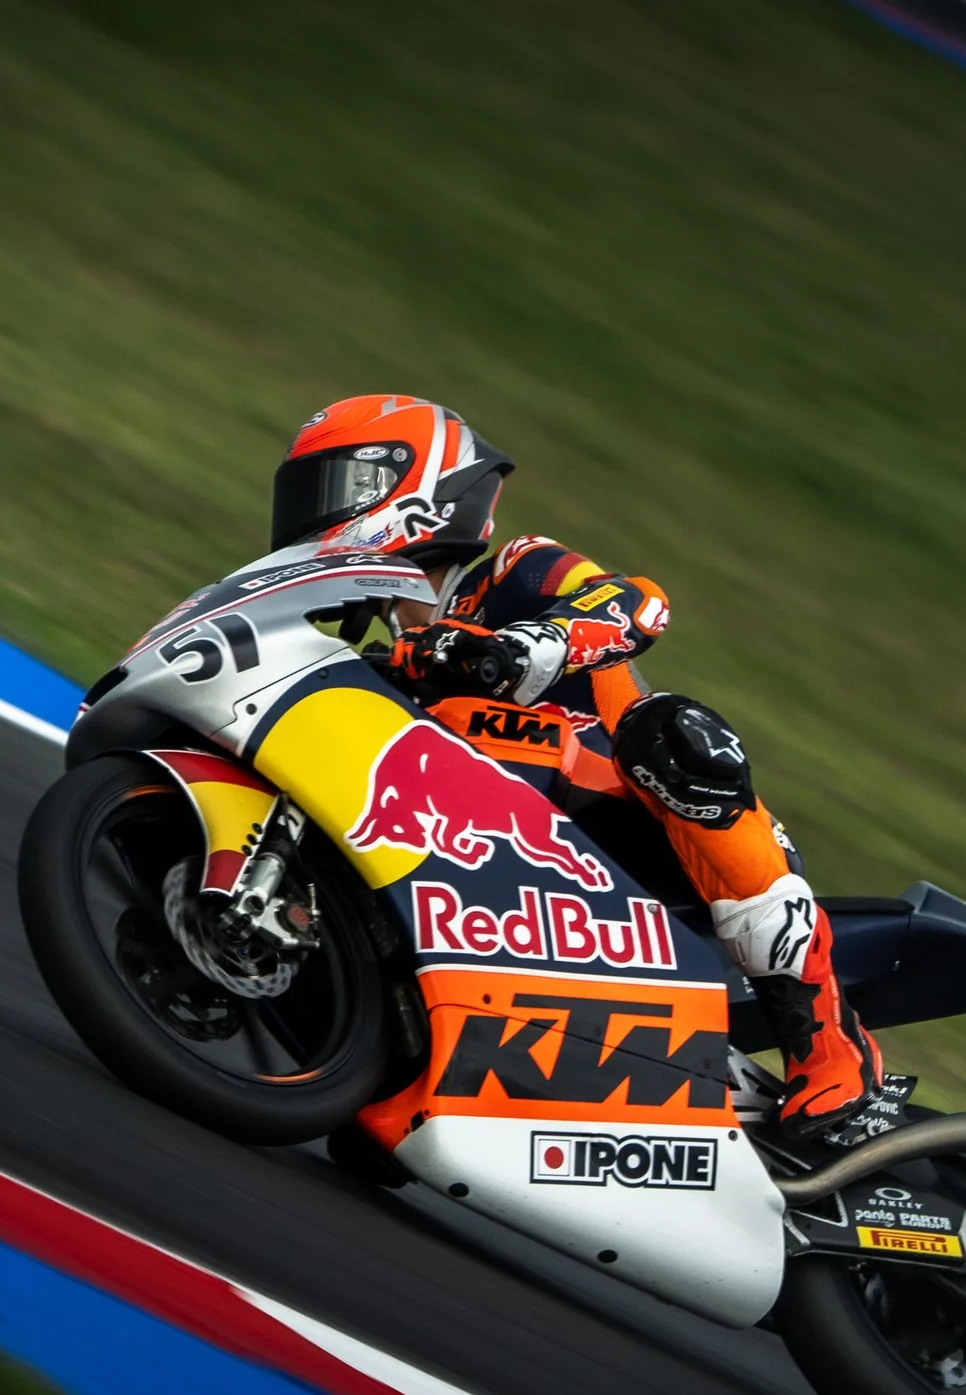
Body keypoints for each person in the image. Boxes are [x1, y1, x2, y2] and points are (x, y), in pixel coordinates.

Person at [268, 394, 882, 1141]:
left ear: (415, 484)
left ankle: (833, 1051)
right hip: (502, 872)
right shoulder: (378, 663)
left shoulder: (519, 571)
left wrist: (532, 646)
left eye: (332, 492)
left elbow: (639, 604)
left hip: (637, 832)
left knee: (674, 733)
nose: (314, 517)